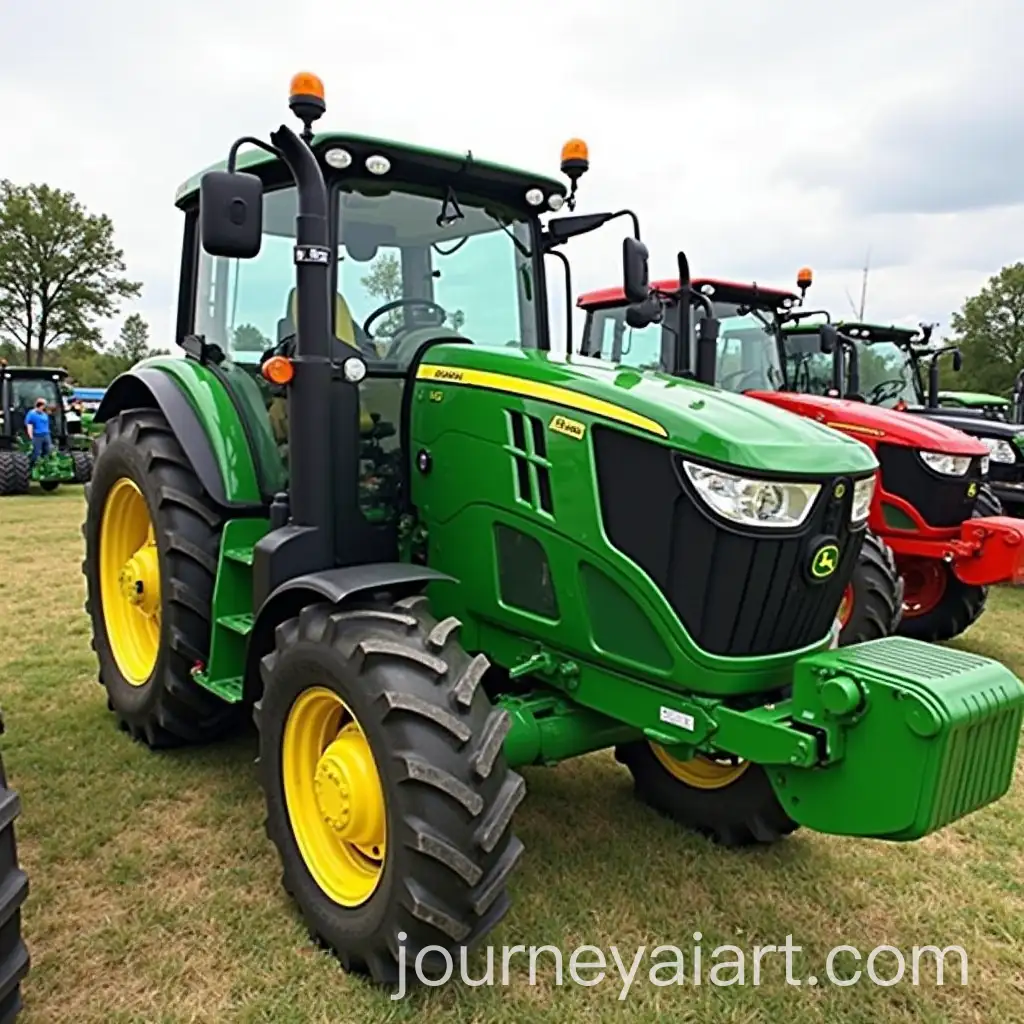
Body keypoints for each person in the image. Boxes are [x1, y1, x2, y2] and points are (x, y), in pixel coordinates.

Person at [25, 397, 53, 467]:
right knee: (36, 453)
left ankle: (44, 467)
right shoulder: (32, 413)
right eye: (44, 405)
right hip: (37, 436)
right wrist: (31, 436)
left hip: (46, 435)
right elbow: (29, 425)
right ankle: (31, 467)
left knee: (48, 452)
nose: (45, 407)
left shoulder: (44, 414)